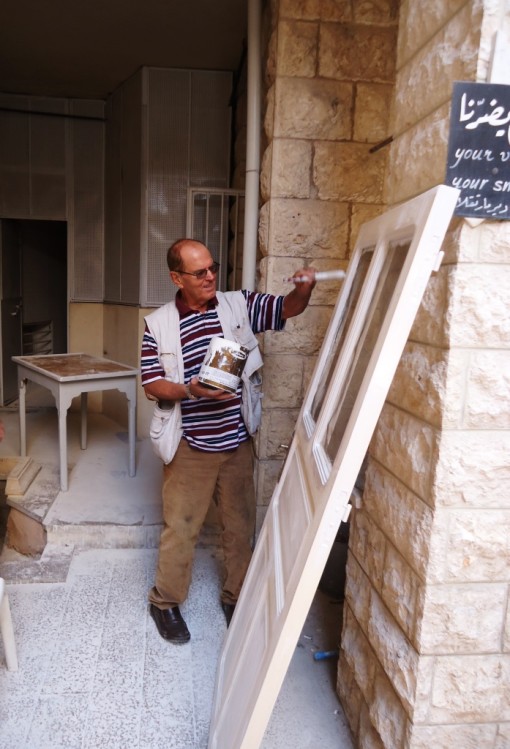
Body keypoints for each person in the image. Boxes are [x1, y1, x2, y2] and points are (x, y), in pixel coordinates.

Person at [141, 238, 316, 643]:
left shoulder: (238, 304)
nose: (210, 277)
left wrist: (304, 289)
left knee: (239, 525)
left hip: (236, 440)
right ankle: (164, 602)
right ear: (176, 278)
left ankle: (235, 596)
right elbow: (151, 383)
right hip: (190, 446)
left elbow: (286, 308)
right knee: (181, 529)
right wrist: (191, 390)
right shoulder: (159, 324)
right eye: (199, 272)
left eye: (212, 268)